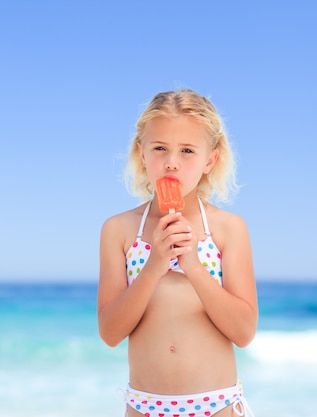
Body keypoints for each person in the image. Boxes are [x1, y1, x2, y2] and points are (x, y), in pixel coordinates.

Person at [97, 89, 258, 417]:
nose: (171, 162)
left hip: (216, 406)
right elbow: (111, 333)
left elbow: (243, 332)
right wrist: (154, 264)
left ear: (209, 160)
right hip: (144, 407)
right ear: (141, 153)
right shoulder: (120, 230)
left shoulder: (227, 229)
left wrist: (196, 268)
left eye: (187, 150)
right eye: (160, 148)